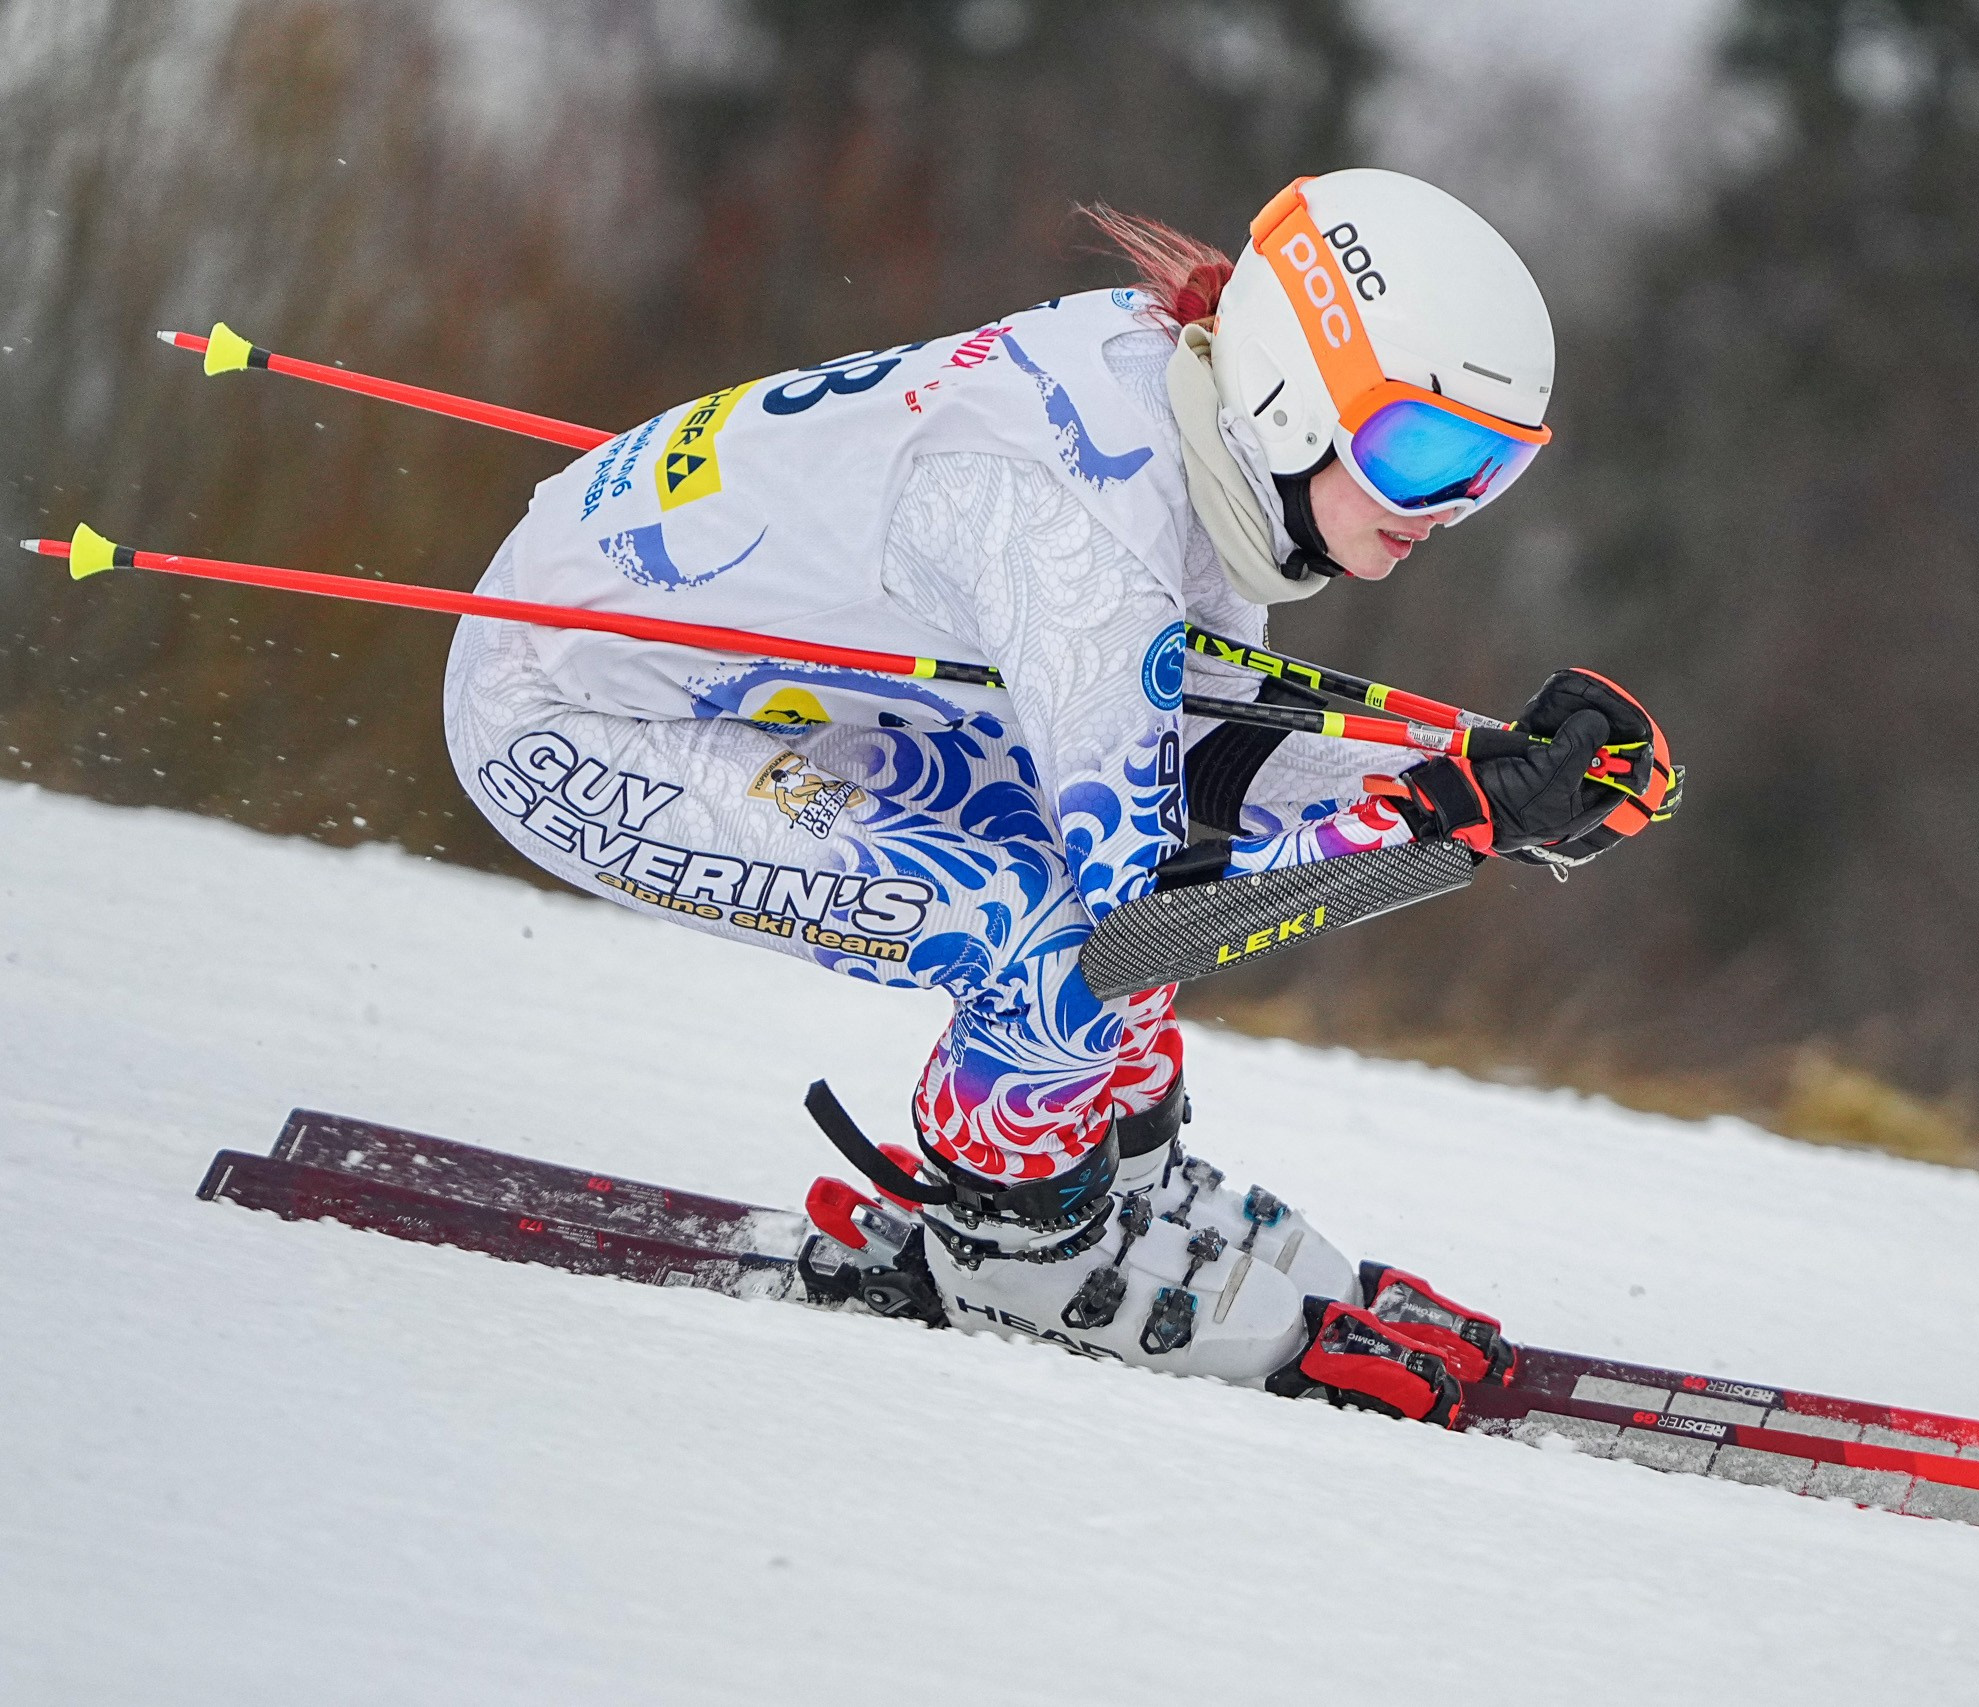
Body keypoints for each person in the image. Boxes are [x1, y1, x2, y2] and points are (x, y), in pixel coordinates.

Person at [443, 168, 1666, 1421]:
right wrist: (1439, 821)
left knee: (1110, 845)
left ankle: (1113, 1173)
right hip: (576, 724)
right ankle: (1018, 1244)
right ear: (1292, 396)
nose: (1452, 507)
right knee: (1045, 929)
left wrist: (1493, 782)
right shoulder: (1088, 531)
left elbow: (1198, 751)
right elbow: (1138, 926)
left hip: (779, 701)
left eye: (1495, 471)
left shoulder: (1192, 425)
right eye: (1428, 450)